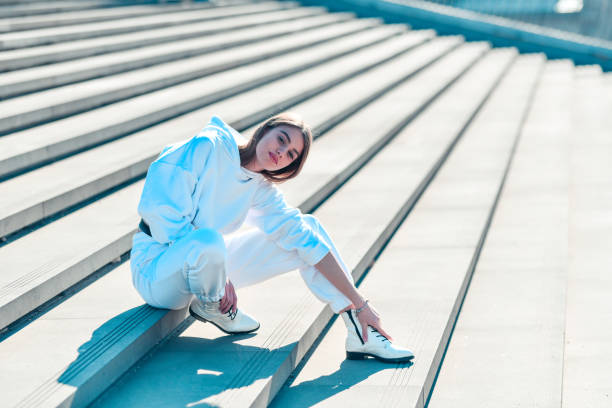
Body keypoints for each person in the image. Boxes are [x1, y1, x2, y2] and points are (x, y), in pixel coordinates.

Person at [130, 113, 414, 363]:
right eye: (281, 139)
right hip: (156, 269)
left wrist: (359, 302)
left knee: (306, 228)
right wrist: (219, 272)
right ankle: (212, 303)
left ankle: (359, 329)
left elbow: (306, 240)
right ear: (264, 130)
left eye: (291, 154)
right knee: (208, 242)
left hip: (204, 270)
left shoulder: (259, 187)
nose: (282, 152)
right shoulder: (210, 146)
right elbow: (160, 210)